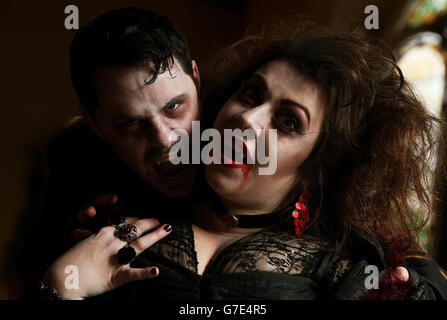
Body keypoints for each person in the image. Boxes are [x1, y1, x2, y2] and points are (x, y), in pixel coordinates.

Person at [37, 21, 447, 300]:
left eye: (287, 121)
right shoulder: (108, 220)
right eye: (251, 94)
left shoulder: (352, 269)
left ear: (319, 161)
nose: (247, 119)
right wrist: (59, 286)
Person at [18, 7, 202, 295]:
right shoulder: (73, 167)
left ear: (197, 79)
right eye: (130, 122)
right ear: (93, 122)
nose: (165, 139)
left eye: (175, 106)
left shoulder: (246, 131)